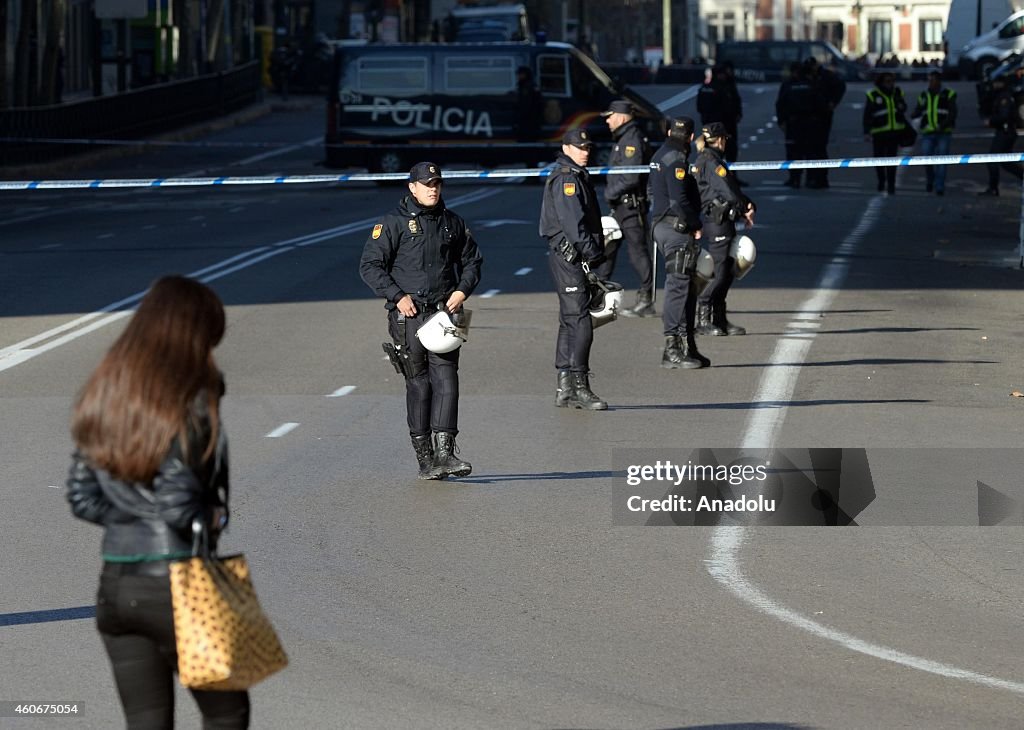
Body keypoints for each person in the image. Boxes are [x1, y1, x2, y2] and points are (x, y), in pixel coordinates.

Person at [66, 275, 251, 729]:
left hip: (117, 586)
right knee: (227, 715)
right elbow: (177, 505)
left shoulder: (107, 391)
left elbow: (80, 496)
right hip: (181, 584)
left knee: (146, 721)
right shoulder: (190, 398)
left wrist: (132, 517)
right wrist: (213, 513)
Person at [359, 162, 484, 479]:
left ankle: (446, 453)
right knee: (419, 384)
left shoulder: (452, 223)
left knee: (447, 380)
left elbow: (472, 261)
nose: (433, 189)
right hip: (408, 314)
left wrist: (462, 290)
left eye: (437, 183)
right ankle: (425, 458)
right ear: (411, 187)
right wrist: (397, 295)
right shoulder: (392, 224)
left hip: (443, 311)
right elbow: (371, 266)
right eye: (427, 184)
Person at [539, 128, 608, 410]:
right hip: (572, 257)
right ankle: (579, 385)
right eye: (580, 147)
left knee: (570, 318)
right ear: (566, 148)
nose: (585, 151)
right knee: (580, 321)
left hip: (569, 257)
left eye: (588, 147)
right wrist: (593, 254)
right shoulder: (567, 179)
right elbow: (573, 225)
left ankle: (565, 385)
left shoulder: (573, 174)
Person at [649, 117, 711, 369]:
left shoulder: (659, 154)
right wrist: (695, 224)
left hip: (663, 225)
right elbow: (678, 200)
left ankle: (688, 344)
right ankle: (672, 347)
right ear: (691, 136)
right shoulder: (676, 158)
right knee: (678, 286)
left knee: (685, 287)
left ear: (668, 131)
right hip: (675, 228)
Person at [693, 122, 755, 337]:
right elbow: (727, 190)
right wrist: (744, 206)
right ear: (719, 139)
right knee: (720, 273)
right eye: (725, 139)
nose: (726, 142)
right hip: (717, 221)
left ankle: (719, 318)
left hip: (723, 220)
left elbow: (732, 189)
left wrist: (747, 204)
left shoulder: (711, 159)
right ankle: (703, 316)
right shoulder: (710, 161)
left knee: (728, 271)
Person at [599, 99, 655, 317]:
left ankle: (646, 299)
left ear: (621, 117)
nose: (608, 121)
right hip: (620, 205)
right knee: (607, 250)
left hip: (630, 205)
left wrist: (610, 192)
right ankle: (599, 295)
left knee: (638, 252)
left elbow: (631, 177)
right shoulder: (623, 138)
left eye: (610, 117)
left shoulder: (632, 140)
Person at [911, 70, 957, 196]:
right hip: (928, 132)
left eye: (933, 80)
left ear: (939, 81)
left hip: (943, 132)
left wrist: (942, 125)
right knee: (927, 159)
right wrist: (914, 114)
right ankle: (930, 180)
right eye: (929, 80)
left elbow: (953, 113)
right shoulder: (924, 95)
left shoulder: (949, 94)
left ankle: (939, 186)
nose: (930, 83)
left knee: (941, 161)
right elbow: (919, 109)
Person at [803, 56, 846, 189]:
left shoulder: (827, 76)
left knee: (820, 147)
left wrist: (833, 103)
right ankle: (811, 177)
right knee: (809, 148)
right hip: (807, 115)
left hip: (823, 115)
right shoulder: (805, 77)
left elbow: (840, 86)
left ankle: (821, 178)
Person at [863, 71, 908, 195]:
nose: (890, 84)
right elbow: (867, 115)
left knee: (892, 160)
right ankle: (881, 180)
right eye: (888, 81)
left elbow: (904, 107)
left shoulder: (897, 93)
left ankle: (891, 185)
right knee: (879, 159)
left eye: (892, 81)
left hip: (894, 132)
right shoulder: (873, 95)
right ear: (882, 82)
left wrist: (901, 106)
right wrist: (867, 131)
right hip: (879, 132)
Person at [978, 74, 1023, 196]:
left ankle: (993, 188)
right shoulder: (1002, 95)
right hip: (1006, 132)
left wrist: (991, 121)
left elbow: (1004, 116)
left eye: (995, 83)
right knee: (1006, 162)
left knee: (992, 159)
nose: (993, 85)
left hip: (1005, 133)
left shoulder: (1004, 97)